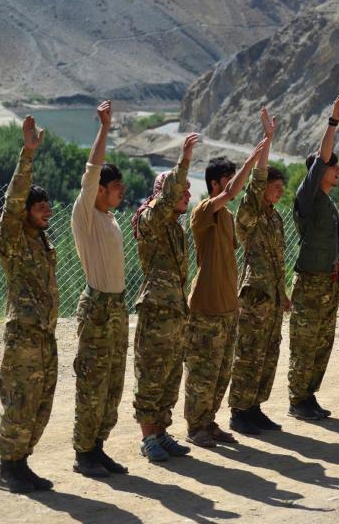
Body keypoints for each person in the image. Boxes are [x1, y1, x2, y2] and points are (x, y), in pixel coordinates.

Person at [185, 137, 269, 447]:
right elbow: (234, 192)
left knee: (220, 372)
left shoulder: (229, 218)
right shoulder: (204, 211)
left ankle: (209, 421)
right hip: (206, 306)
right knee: (202, 373)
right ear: (214, 183)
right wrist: (252, 160)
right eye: (227, 178)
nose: (231, 185)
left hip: (226, 307)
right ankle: (195, 426)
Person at [0, 116, 58, 493]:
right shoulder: (14, 241)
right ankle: (8, 468)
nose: (46, 212)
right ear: (25, 213)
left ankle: (21, 463)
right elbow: (13, 200)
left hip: (43, 336)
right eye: (40, 209)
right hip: (23, 337)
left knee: (40, 403)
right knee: (20, 402)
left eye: (48, 207)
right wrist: (28, 154)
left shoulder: (42, 243)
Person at [71, 100, 130, 478]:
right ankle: (83, 453)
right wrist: (104, 129)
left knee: (112, 384)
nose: (120, 192)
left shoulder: (109, 220)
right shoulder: (86, 216)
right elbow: (91, 172)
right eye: (115, 187)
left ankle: (98, 446)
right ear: (99, 191)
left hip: (117, 309)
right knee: (92, 382)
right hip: (97, 308)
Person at [131, 132, 198, 461]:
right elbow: (166, 200)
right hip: (157, 310)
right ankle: (148, 438)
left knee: (170, 374)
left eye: (187, 191)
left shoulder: (176, 228)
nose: (186, 194)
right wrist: (184, 162)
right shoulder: (150, 220)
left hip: (175, 312)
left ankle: (161, 432)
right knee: (152, 373)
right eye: (180, 190)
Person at [287, 94, 339, 421]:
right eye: (332, 166)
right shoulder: (308, 198)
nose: (337, 170)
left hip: (326, 284)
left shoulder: (326, 203)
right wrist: (333, 122)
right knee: (305, 344)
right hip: (310, 284)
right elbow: (323, 158)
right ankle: (297, 399)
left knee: (322, 344)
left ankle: (308, 395)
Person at [228, 109, 288, 434]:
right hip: (254, 297)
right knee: (249, 353)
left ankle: (255, 407)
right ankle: (239, 411)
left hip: (274, 296)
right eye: (275, 186)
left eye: (281, 187)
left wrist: (284, 294)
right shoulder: (250, 216)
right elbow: (254, 184)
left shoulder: (275, 219)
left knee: (268, 353)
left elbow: (278, 261)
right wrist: (267, 141)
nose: (279, 191)